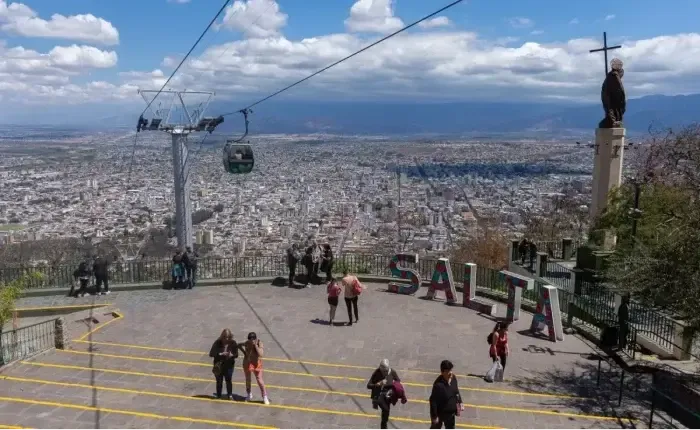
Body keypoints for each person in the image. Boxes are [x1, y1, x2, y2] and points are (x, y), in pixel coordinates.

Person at [366, 359, 405, 430]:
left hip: (389, 394)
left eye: (386, 371)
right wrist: (378, 384)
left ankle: (384, 423)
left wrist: (391, 390)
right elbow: (368, 385)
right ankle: (384, 425)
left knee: (386, 410)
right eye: (383, 371)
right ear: (380, 369)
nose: (385, 373)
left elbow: (398, 380)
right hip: (379, 395)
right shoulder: (377, 373)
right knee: (385, 410)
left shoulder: (392, 372)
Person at [209, 329, 244, 399]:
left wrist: (231, 355)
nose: (226, 339)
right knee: (219, 381)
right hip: (219, 365)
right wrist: (220, 354)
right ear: (222, 336)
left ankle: (230, 394)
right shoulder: (217, 342)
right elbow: (211, 353)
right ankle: (219, 395)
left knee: (228, 380)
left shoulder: (233, 343)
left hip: (229, 365)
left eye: (228, 337)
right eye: (225, 337)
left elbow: (236, 354)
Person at [429, 360, 463, 430]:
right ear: (442, 372)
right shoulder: (438, 385)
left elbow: (456, 391)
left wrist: (460, 401)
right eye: (448, 371)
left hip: (451, 414)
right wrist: (434, 417)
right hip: (441, 413)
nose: (451, 372)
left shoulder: (453, 378)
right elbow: (433, 401)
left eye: (451, 370)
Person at [243, 332, 269, 405]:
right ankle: (249, 393)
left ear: (255, 338)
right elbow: (240, 345)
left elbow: (261, 354)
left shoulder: (259, 343)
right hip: (247, 363)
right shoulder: (247, 343)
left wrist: (255, 346)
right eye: (250, 339)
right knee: (248, 379)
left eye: (253, 339)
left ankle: (264, 396)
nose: (251, 341)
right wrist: (244, 353)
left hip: (256, 364)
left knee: (259, 380)